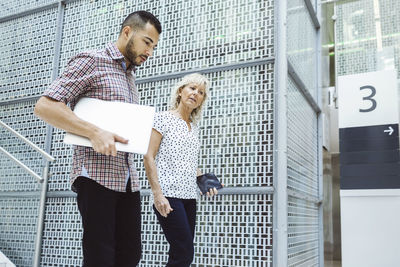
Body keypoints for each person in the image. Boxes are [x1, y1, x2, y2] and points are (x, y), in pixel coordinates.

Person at [34, 11, 161, 267]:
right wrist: (94, 132)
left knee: (130, 256)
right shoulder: (92, 60)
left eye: (154, 46)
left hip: (127, 179)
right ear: (127, 32)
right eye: (147, 42)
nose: (150, 51)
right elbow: (45, 106)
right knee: (100, 258)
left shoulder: (129, 76)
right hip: (96, 176)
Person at [143, 73, 220, 267]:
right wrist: (157, 195)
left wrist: (204, 180)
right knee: (184, 253)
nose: (196, 93)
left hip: (189, 197)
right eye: (192, 88)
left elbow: (189, 162)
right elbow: (148, 156)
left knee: (181, 254)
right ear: (180, 91)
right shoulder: (162, 119)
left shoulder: (194, 128)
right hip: (168, 196)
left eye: (201, 92)